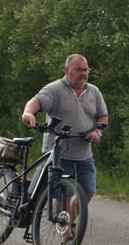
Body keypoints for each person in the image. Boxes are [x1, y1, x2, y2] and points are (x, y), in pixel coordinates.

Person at [21, 53, 109, 204]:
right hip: (59, 154)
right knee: (63, 195)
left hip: (84, 154)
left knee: (88, 192)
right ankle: (62, 220)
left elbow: (103, 116)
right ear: (66, 70)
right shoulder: (55, 89)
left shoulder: (93, 91)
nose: (84, 74)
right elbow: (36, 101)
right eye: (79, 70)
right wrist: (28, 113)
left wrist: (97, 132)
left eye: (86, 70)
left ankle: (73, 218)